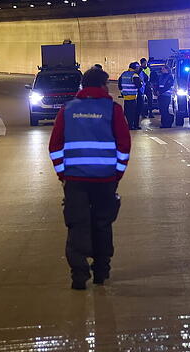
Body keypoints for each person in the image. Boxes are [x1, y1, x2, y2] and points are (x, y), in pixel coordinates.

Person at [47, 68, 131, 290]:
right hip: (105, 180)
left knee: (77, 225)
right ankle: (101, 271)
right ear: (103, 85)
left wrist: (62, 174)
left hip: (75, 180)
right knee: (102, 224)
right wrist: (117, 174)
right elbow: (124, 145)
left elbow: (55, 146)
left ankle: (78, 275)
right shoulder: (112, 110)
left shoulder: (68, 110)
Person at [118, 62, 142, 130]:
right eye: (137, 67)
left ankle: (129, 125)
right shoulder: (134, 75)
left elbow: (119, 85)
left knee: (127, 112)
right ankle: (133, 126)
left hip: (126, 96)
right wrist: (141, 82)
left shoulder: (124, 74)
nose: (138, 68)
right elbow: (138, 85)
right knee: (134, 112)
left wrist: (122, 92)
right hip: (133, 96)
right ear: (135, 67)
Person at [154, 64, 175, 129]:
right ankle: (164, 123)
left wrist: (160, 91)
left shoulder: (170, 77)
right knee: (161, 110)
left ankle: (167, 122)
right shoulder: (161, 76)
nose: (162, 70)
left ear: (167, 69)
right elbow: (158, 84)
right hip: (160, 95)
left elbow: (168, 86)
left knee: (164, 109)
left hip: (166, 95)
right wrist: (156, 91)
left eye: (163, 69)